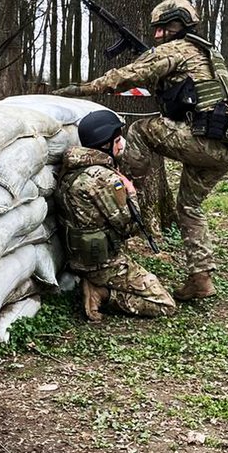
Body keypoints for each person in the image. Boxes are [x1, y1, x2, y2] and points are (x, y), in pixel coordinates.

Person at [54, 0, 228, 301]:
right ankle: (201, 279)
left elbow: (131, 74)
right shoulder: (207, 53)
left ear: (176, 26)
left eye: (161, 29)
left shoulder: (176, 50)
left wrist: (85, 89)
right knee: (189, 208)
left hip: (203, 138)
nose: (156, 36)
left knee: (140, 130)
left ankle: (125, 188)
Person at [56, 110, 177, 322]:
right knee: (164, 304)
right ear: (105, 144)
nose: (121, 145)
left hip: (81, 256)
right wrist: (130, 191)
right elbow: (129, 225)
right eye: (117, 139)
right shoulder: (102, 178)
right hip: (101, 263)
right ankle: (101, 293)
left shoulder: (74, 166)